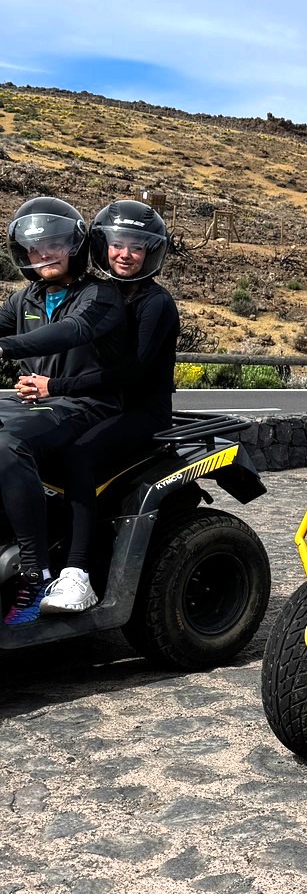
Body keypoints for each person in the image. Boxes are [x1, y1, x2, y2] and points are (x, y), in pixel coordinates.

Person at [41, 202, 180, 614]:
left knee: (77, 454)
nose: (125, 254)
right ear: (103, 246)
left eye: (137, 246)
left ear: (150, 252)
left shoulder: (155, 303)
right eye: (118, 244)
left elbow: (130, 372)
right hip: (95, 402)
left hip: (139, 410)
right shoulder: (94, 292)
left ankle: (78, 575)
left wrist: (56, 386)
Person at [0, 197, 126, 624]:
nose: (44, 254)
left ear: (74, 246)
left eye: (54, 244)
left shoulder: (100, 295)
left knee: (6, 443)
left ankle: (34, 571)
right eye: (35, 247)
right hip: (33, 403)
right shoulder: (26, 298)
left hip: (84, 404)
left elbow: (72, 331)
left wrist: (6, 347)